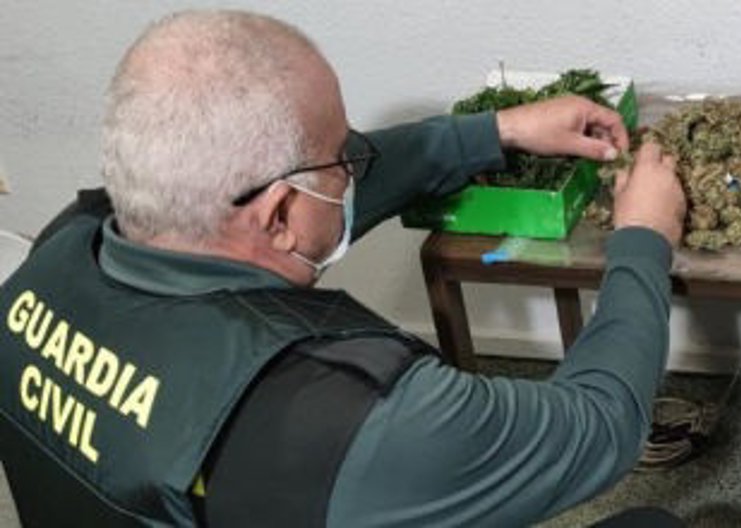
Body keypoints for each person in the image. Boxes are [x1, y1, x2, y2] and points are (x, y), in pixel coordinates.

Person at [0, 9, 685, 527]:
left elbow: (297, 207)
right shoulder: (355, 418)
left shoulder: (51, 261)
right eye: (342, 157)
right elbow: (600, 425)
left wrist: (492, 133)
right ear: (280, 212)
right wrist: (642, 240)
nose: (354, 169)